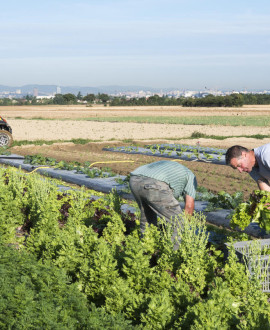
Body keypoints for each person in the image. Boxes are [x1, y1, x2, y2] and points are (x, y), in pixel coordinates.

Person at [129, 160, 197, 245]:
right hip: (154, 183)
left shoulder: (177, 171)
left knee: (147, 218)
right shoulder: (191, 177)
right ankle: (174, 253)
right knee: (178, 222)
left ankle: (146, 248)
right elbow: (189, 206)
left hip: (134, 179)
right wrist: (185, 227)